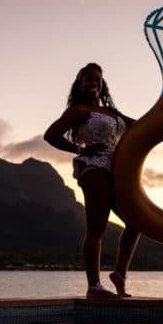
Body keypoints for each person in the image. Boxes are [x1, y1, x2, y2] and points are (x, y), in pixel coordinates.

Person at [44, 63, 139, 298]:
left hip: (116, 168)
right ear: (80, 83)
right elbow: (50, 135)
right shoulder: (79, 110)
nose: (93, 82)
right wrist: (79, 149)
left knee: (136, 222)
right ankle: (94, 286)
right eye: (89, 79)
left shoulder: (113, 112)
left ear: (102, 84)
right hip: (94, 167)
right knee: (97, 227)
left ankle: (119, 274)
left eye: (97, 79)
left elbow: (140, 127)